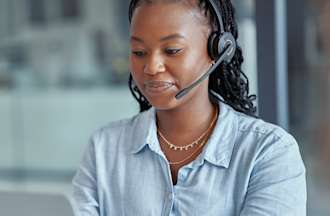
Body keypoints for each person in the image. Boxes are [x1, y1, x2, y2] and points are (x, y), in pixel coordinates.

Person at [72, 0, 306, 215]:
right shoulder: (104, 148)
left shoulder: (269, 152)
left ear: (218, 50)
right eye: (139, 52)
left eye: (172, 50)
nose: (152, 67)